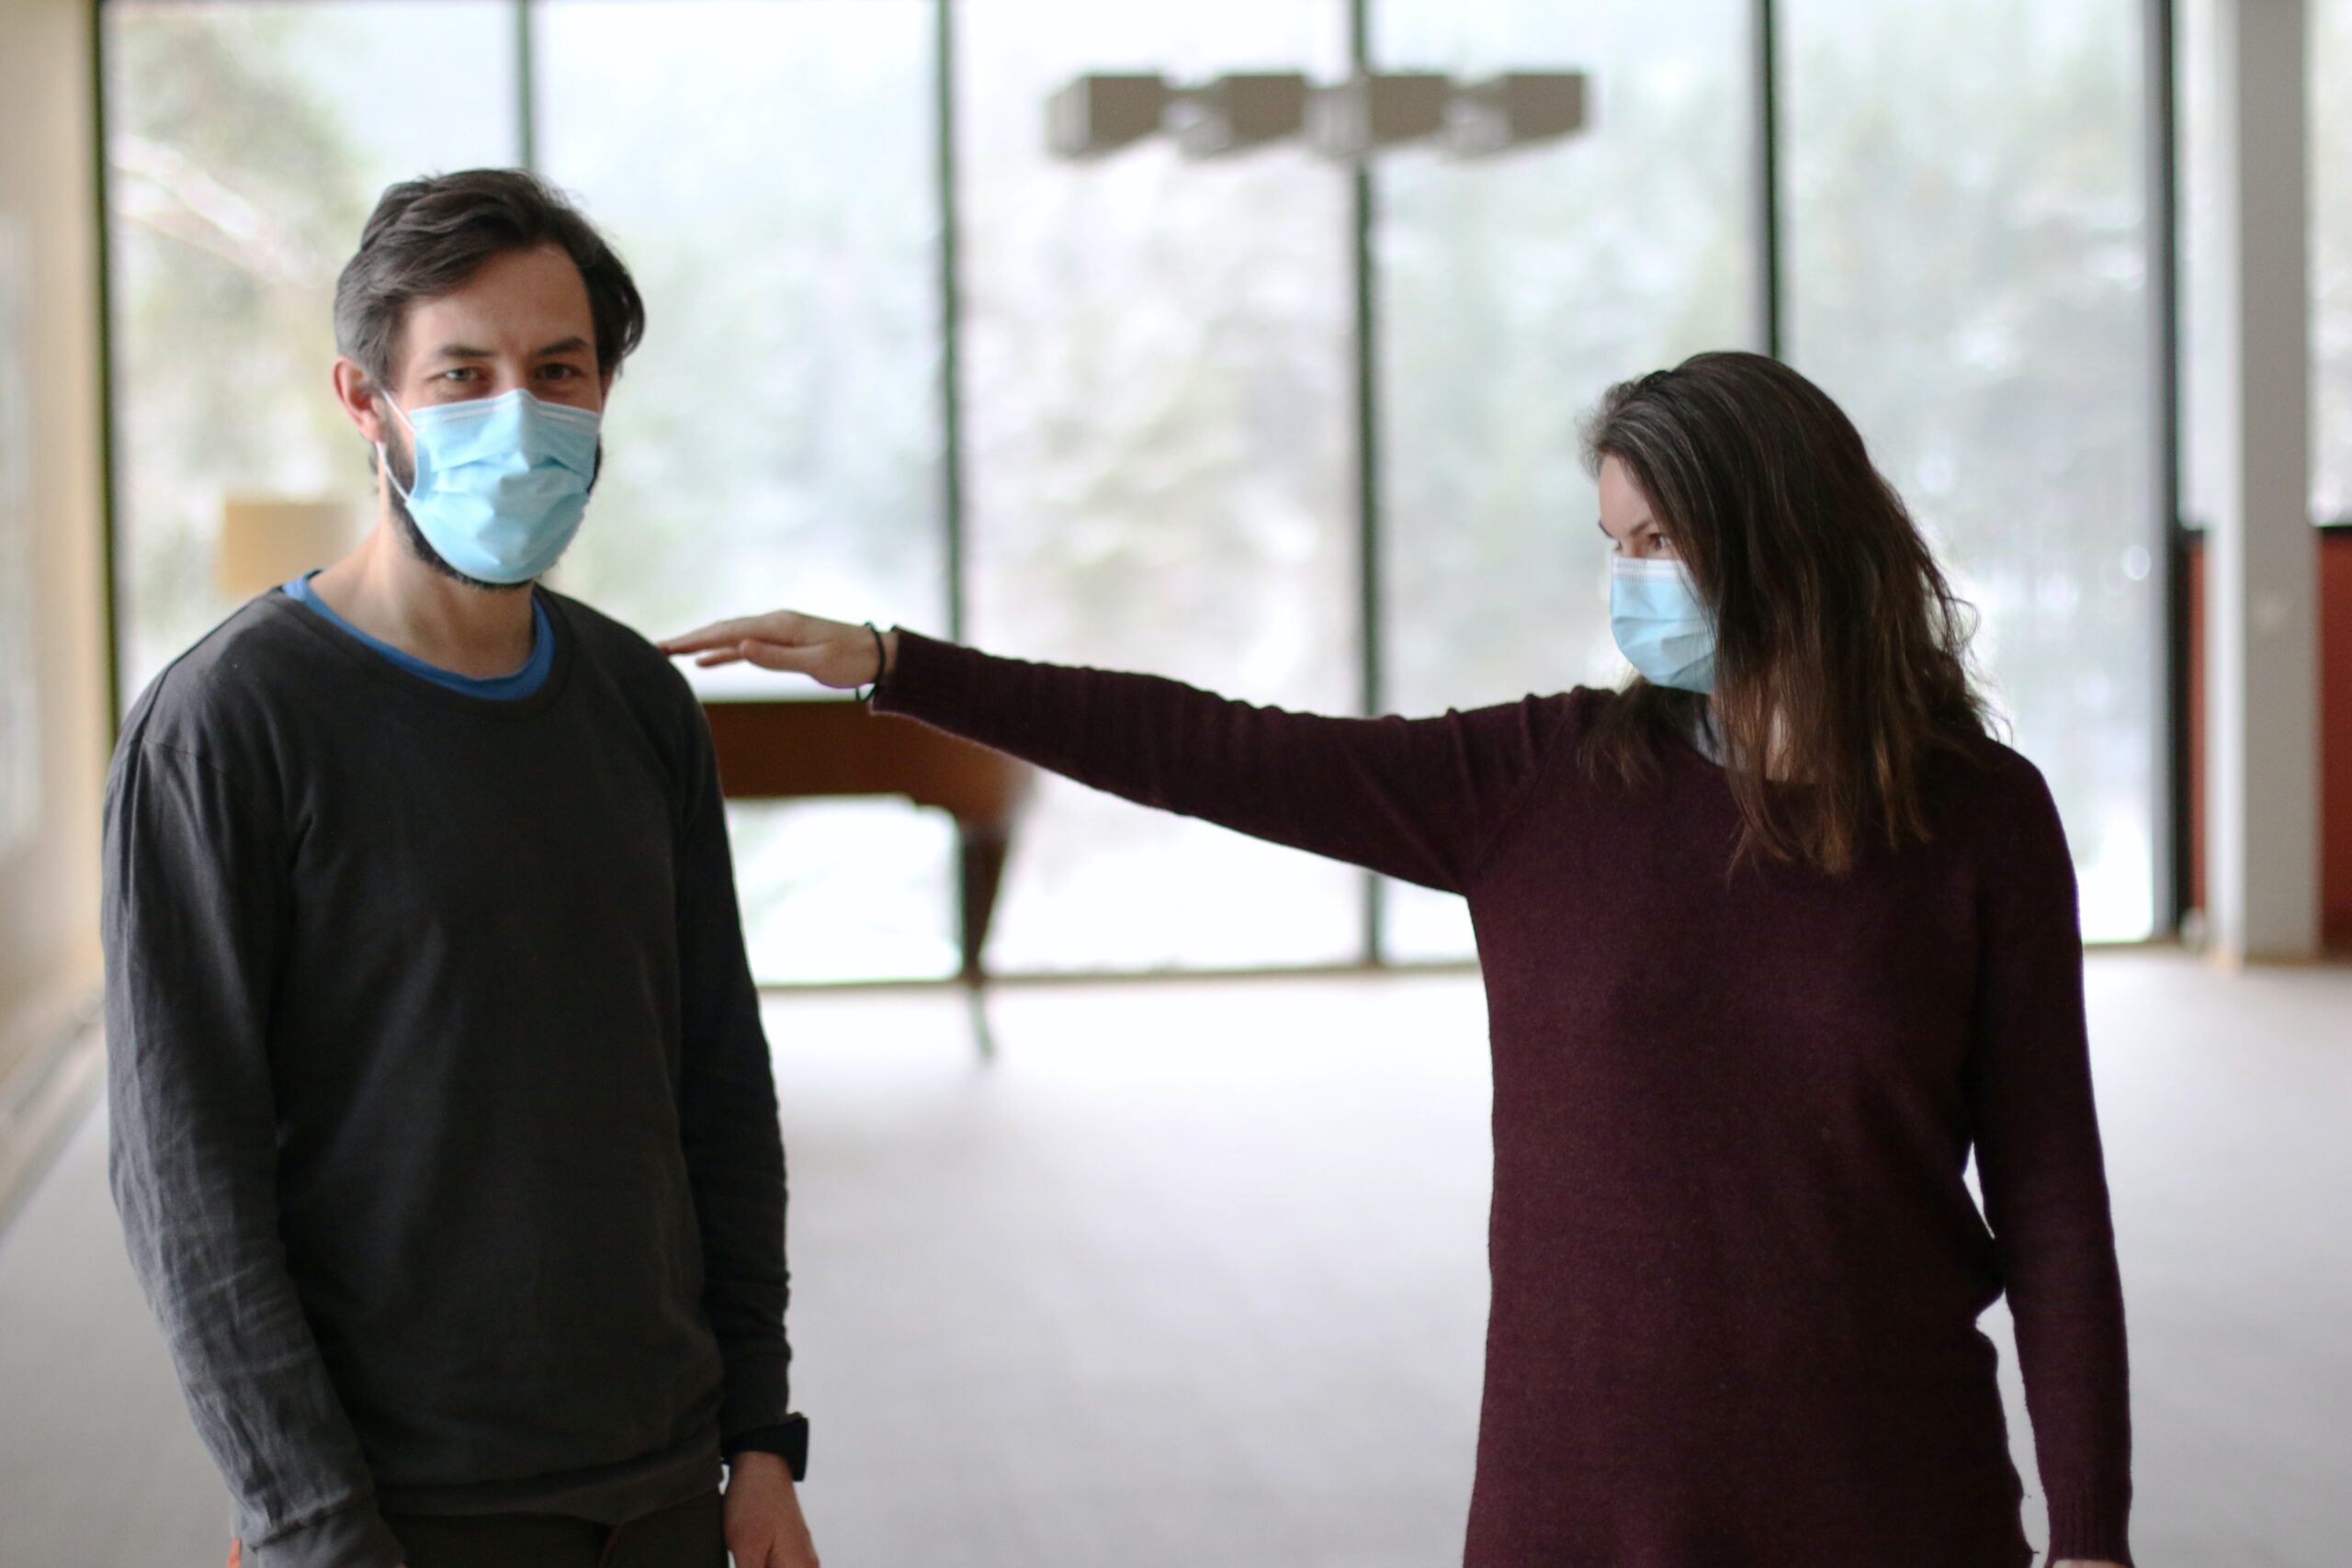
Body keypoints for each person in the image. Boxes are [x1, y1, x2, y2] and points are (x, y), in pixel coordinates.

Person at [662, 351, 2133, 1568]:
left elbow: (2053, 1193)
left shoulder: (1978, 818)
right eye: (1614, 545)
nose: (1632, 583)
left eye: (1662, 541)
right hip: (1584, 1497)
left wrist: (2092, 1536)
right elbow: (1216, 749)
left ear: (1781, 534)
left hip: (1893, 1491)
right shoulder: (1540, 784)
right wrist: (900, 667)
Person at [104, 170, 817, 1568]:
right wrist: (307, 1516)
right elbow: (187, 1174)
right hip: (403, 1506)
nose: (520, 414)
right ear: (366, 403)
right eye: (462, 374)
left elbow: (718, 1088)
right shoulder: (232, 722)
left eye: (559, 371)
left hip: (662, 1477)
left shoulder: (634, 703)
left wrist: (759, 1438)